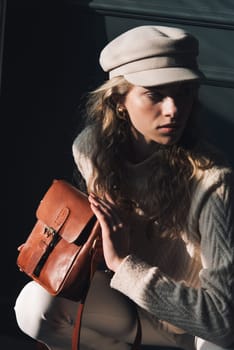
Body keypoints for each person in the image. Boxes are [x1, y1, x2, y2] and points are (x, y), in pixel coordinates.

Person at [14, 25, 234, 350]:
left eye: (184, 91)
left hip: (192, 327)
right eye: (155, 94)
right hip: (128, 308)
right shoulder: (91, 151)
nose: (174, 109)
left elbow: (222, 322)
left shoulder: (213, 182)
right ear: (119, 100)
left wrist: (122, 263)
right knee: (34, 306)